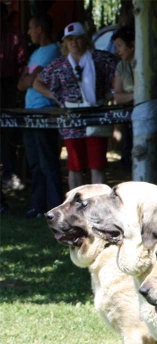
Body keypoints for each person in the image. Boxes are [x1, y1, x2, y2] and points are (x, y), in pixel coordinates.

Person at [33, 22, 118, 189]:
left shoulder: (101, 59)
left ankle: (99, 206)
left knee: (97, 164)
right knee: (75, 165)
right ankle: (74, 208)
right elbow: (37, 82)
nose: (73, 43)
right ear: (65, 42)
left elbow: (119, 76)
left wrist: (111, 94)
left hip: (96, 116)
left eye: (77, 39)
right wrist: (56, 96)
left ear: (85, 40)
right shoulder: (58, 64)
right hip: (71, 118)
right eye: (69, 39)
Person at [17, 14, 62, 219]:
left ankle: (54, 208)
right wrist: (29, 78)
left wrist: (29, 78)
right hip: (29, 110)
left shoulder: (53, 51)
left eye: (31, 28)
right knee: (35, 162)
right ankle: (37, 205)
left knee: (47, 161)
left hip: (45, 111)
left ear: (40, 29)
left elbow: (32, 79)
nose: (28, 32)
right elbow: (22, 83)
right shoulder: (36, 53)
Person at [0, 3, 27, 195]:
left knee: (8, 132)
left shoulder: (15, 35)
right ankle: (9, 174)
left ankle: (10, 174)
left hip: (8, 86)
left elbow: (22, 64)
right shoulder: (15, 34)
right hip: (9, 85)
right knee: (7, 132)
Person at [111, 26, 135, 169]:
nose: (117, 51)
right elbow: (118, 96)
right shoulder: (121, 66)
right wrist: (136, 95)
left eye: (120, 46)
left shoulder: (149, 62)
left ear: (132, 45)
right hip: (130, 119)